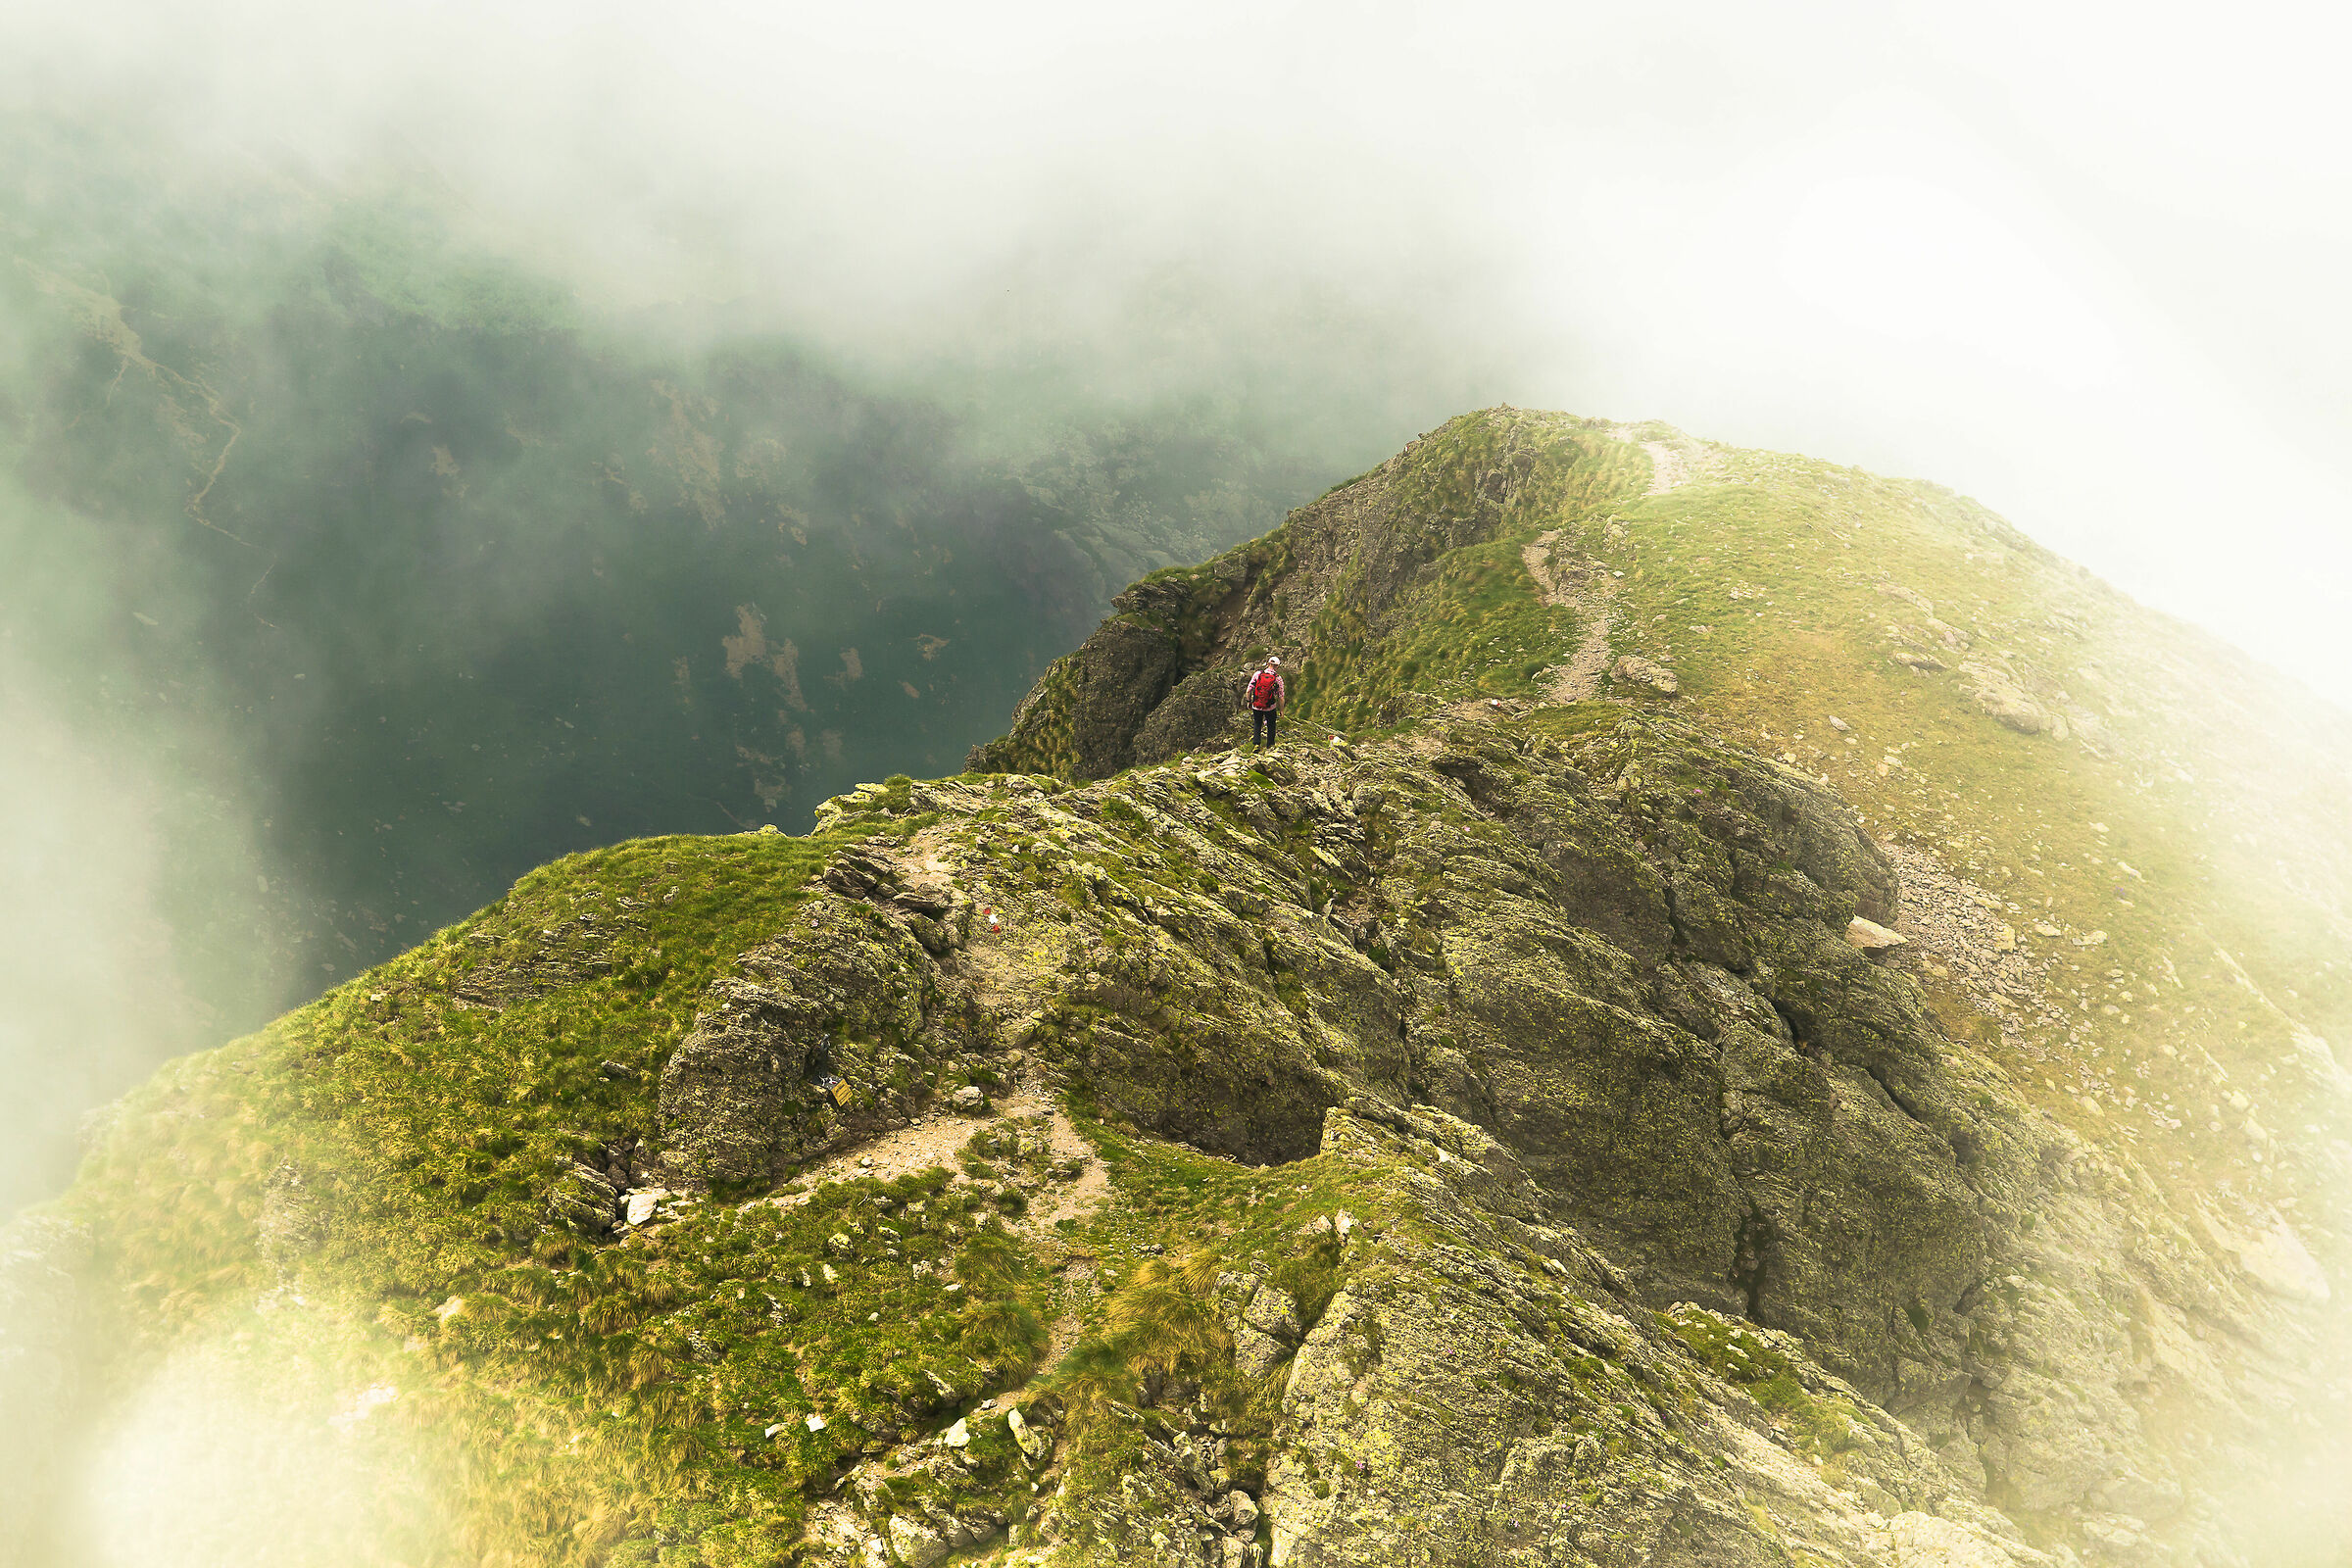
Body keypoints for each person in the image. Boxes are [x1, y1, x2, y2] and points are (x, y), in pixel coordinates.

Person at [1247, 656, 1286, 749]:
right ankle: (1270, 745)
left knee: (1257, 723)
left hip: (1257, 705)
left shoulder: (1258, 674)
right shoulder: (1278, 678)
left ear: (1268, 664)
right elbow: (1281, 696)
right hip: (1270, 706)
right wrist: (1281, 710)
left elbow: (1249, 690)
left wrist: (1248, 701)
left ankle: (1256, 744)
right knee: (1271, 725)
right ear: (1277, 666)